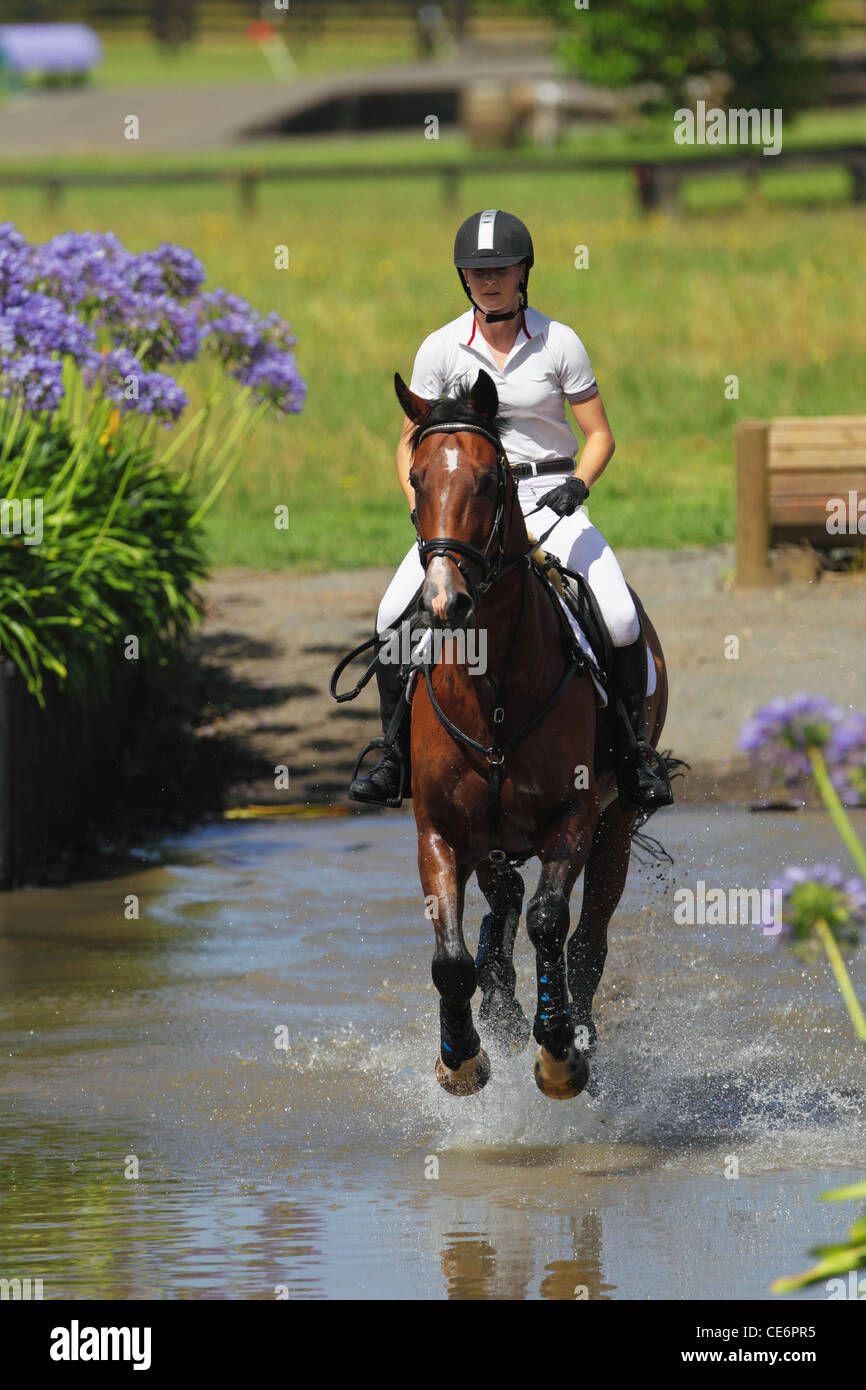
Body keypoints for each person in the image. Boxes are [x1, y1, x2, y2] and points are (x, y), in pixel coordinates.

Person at [349, 208, 673, 815]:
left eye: (500, 269)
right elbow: (408, 445)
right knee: (391, 612)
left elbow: (599, 433)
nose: (489, 280)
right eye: (476, 271)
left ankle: (634, 756)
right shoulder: (441, 349)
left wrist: (579, 483)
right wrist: (425, 510)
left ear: (524, 272)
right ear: (462, 277)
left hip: (550, 500)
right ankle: (393, 754)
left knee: (620, 615)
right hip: (466, 515)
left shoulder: (560, 342)